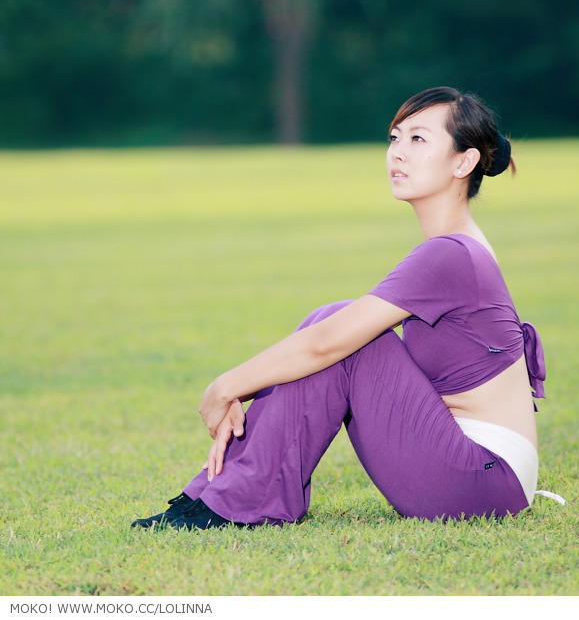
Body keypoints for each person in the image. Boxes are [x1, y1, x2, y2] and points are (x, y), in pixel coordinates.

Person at [131, 86, 547, 531]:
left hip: (480, 481)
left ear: (463, 162)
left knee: (342, 333)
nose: (397, 154)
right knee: (338, 317)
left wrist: (225, 388)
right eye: (394, 138)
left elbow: (326, 346)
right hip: (482, 473)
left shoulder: (449, 255)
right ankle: (233, 491)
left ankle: (239, 497)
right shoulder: (459, 246)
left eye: (418, 140)